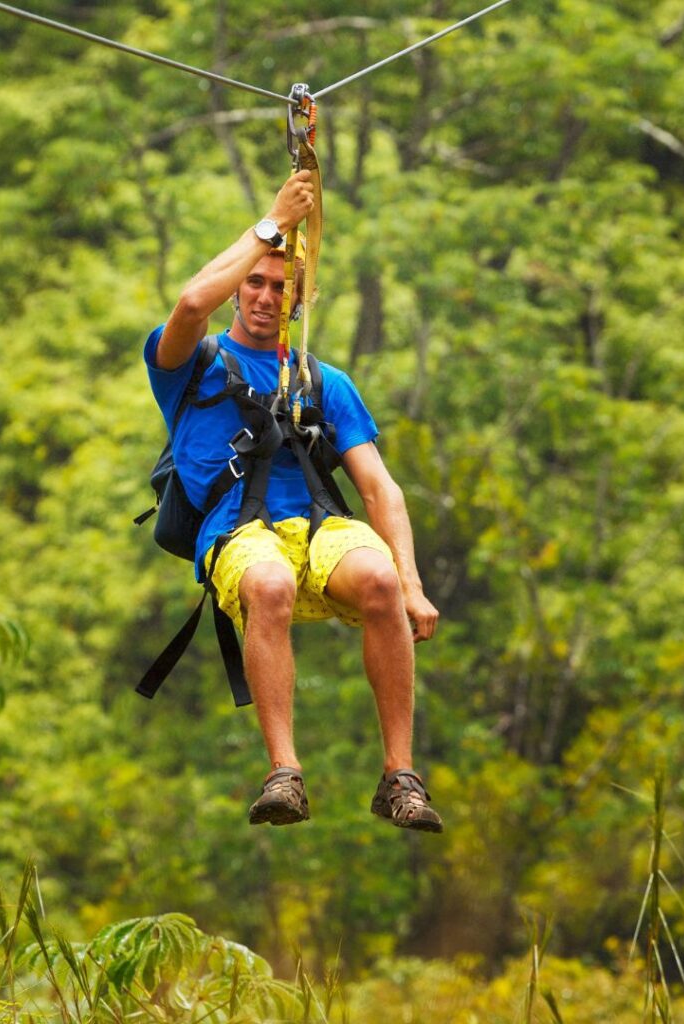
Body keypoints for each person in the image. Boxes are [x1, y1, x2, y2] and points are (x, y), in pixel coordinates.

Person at [144, 170, 443, 832]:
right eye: (255, 281)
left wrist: (412, 582)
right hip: (238, 532)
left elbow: (377, 486)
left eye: (281, 288)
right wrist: (274, 223)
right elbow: (192, 302)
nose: (264, 296)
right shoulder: (191, 365)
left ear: (298, 303)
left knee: (379, 579)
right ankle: (284, 772)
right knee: (271, 584)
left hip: (317, 524)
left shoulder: (321, 381)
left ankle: (401, 776)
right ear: (238, 286)